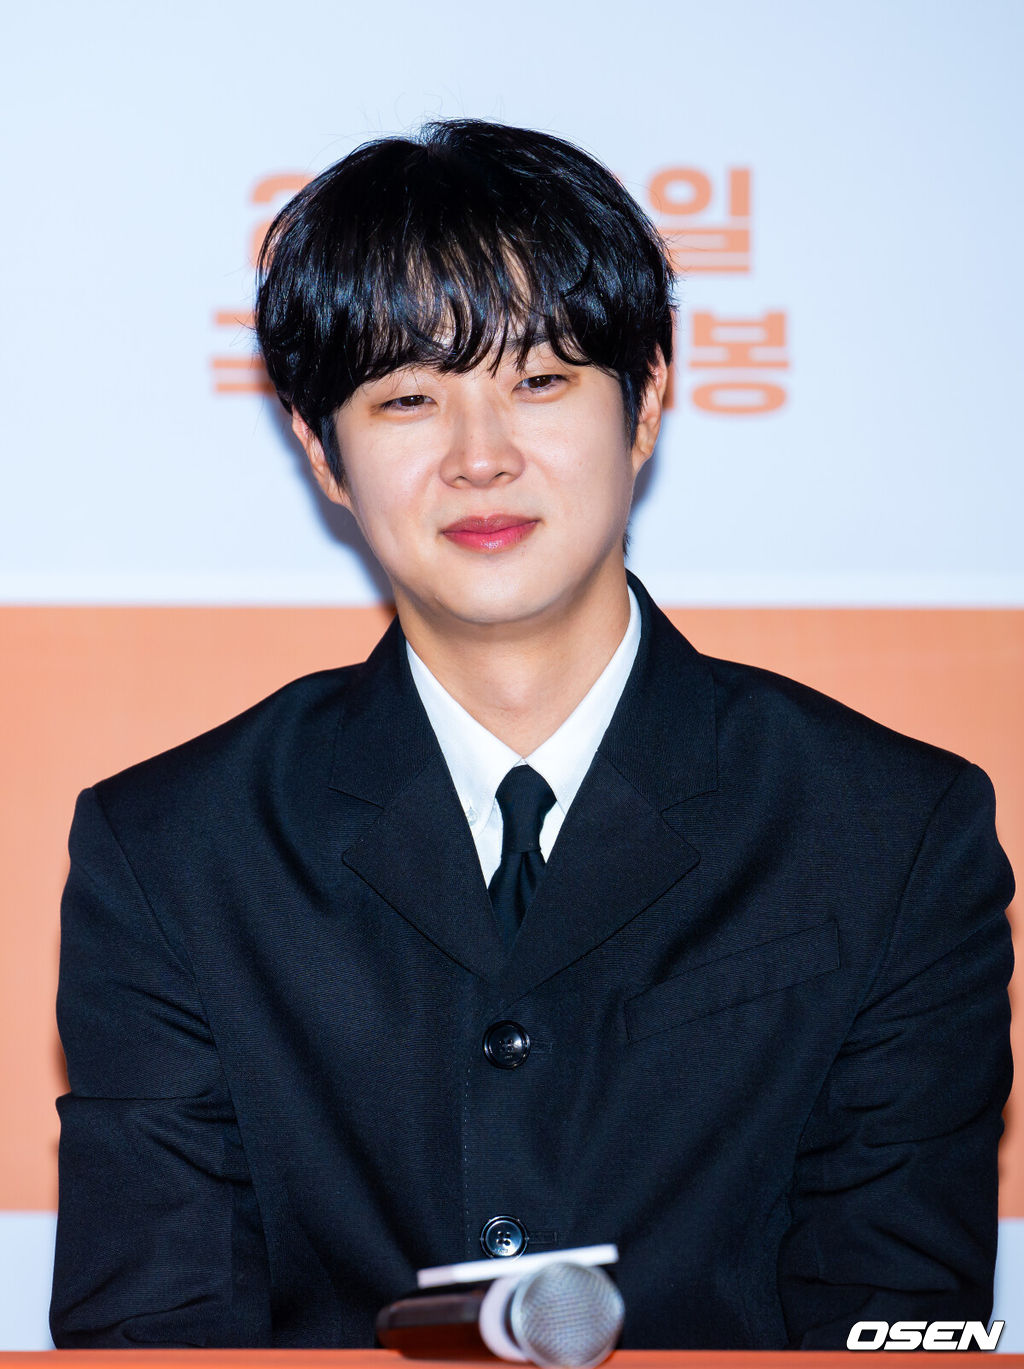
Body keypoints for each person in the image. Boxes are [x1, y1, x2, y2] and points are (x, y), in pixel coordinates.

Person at [50, 118, 1014, 1350]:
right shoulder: (174, 849)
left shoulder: (886, 829)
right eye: (408, 398)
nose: (480, 457)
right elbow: (151, 1335)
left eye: (539, 382)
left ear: (646, 401)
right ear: (322, 455)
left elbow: (899, 1322)